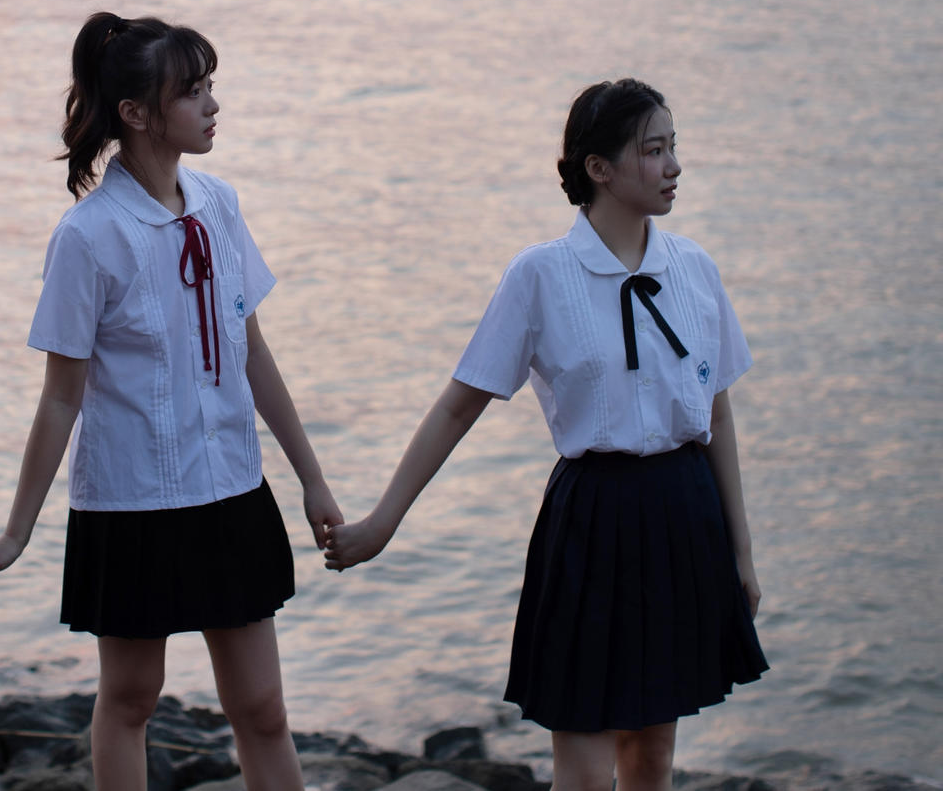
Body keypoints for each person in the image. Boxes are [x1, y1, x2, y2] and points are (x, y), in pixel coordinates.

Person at [324, 79, 768, 791]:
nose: (674, 166)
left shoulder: (694, 269)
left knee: (652, 755)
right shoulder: (541, 274)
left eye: (673, 147)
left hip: (684, 516)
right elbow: (458, 407)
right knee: (585, 768)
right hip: (593, 521)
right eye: (653, 150)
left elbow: (716, 416)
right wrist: (382, 523)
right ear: (599, 168)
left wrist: (741, 552)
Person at [0, 12, 344, 791]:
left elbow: (253, 353)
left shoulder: (221, 204)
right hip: (132, 502)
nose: (213, 105)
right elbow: (60, 400)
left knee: (263, 708)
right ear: (136, 113)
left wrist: (312, 480)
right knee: (132, 700)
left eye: (210, 87)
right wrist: (17, 532)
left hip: (232, 488)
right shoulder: (88, 236)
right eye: (193, 92)